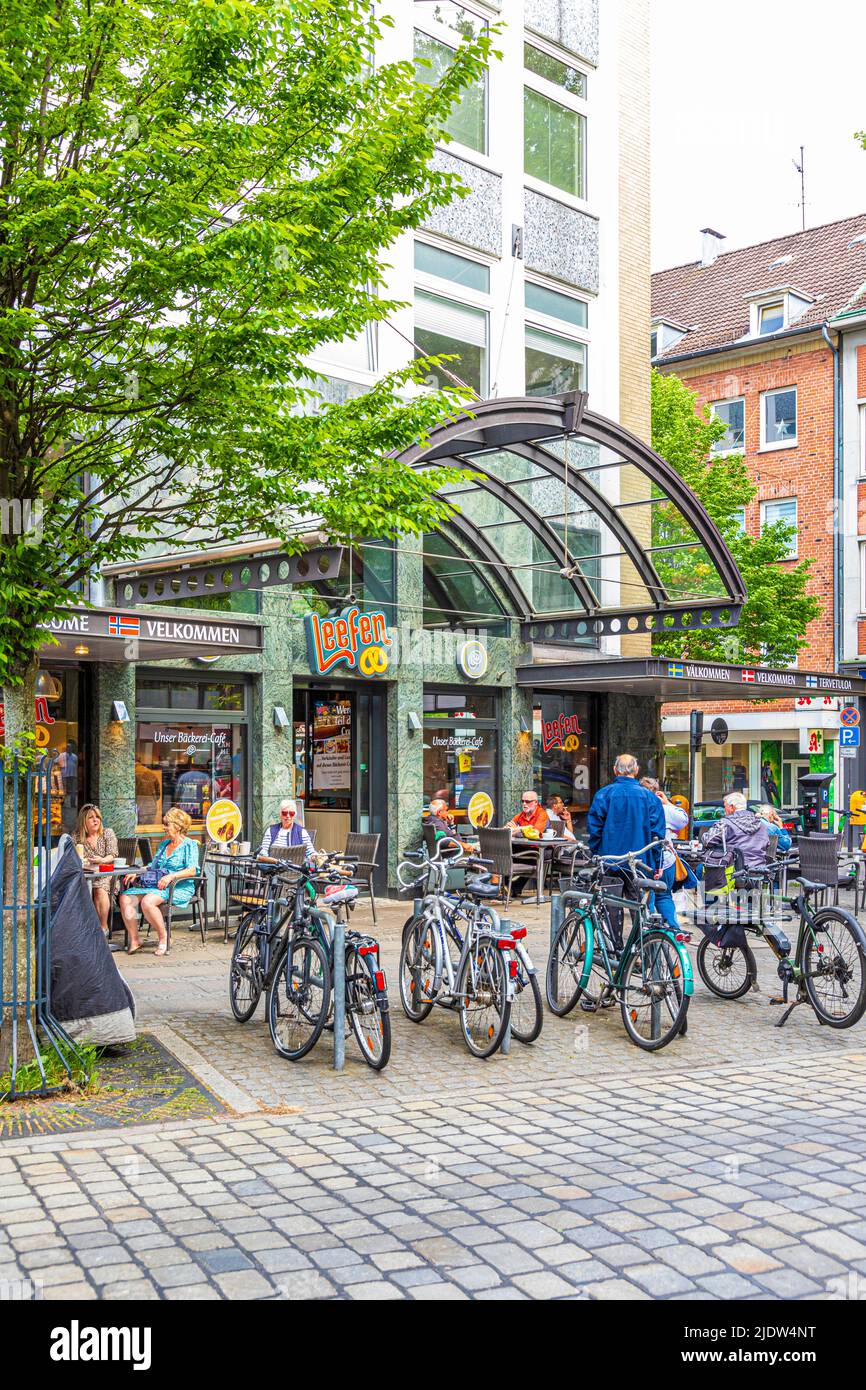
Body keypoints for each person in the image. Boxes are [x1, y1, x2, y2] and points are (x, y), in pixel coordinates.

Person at [119, 807, 200, 956]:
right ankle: (135, 939)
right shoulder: (164, 844)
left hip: (179, 886)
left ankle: (164, 938)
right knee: (125, 898)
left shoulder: (190, 844)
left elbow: (193, 870)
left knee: (147, 902)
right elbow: (153, 866)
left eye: (167, 824)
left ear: (178, 826)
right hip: (158, 885)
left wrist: (171, 876)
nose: (164, 828)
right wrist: (138, 872)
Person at [640, 777, 688, 929]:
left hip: (642, 860)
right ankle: (675, 932)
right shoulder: (665, 809)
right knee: (664, 896)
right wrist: (667, 803)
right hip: (665, 860)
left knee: (645, 899)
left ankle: (647, 933)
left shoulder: (638, 807)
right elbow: (683, 819)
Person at [74, 803, 119, 938]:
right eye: (91, 818)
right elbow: (71, 856)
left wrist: (101, 860)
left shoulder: (107, 833)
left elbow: (113, 855)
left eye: (97, 817)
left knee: (99, 889)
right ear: (84, 821)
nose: (95, 820)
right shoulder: (77, 836)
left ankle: (103, 928)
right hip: (85, 876)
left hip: (106, 874)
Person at [700, 791, 771, 868]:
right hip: (759, 870)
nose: (724, 810)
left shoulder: (725, 823)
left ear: (731, 807)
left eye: (725, 806)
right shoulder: (761, 824)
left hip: (733, 872)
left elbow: (707, 841)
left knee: (700, 868)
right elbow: (767, 845)